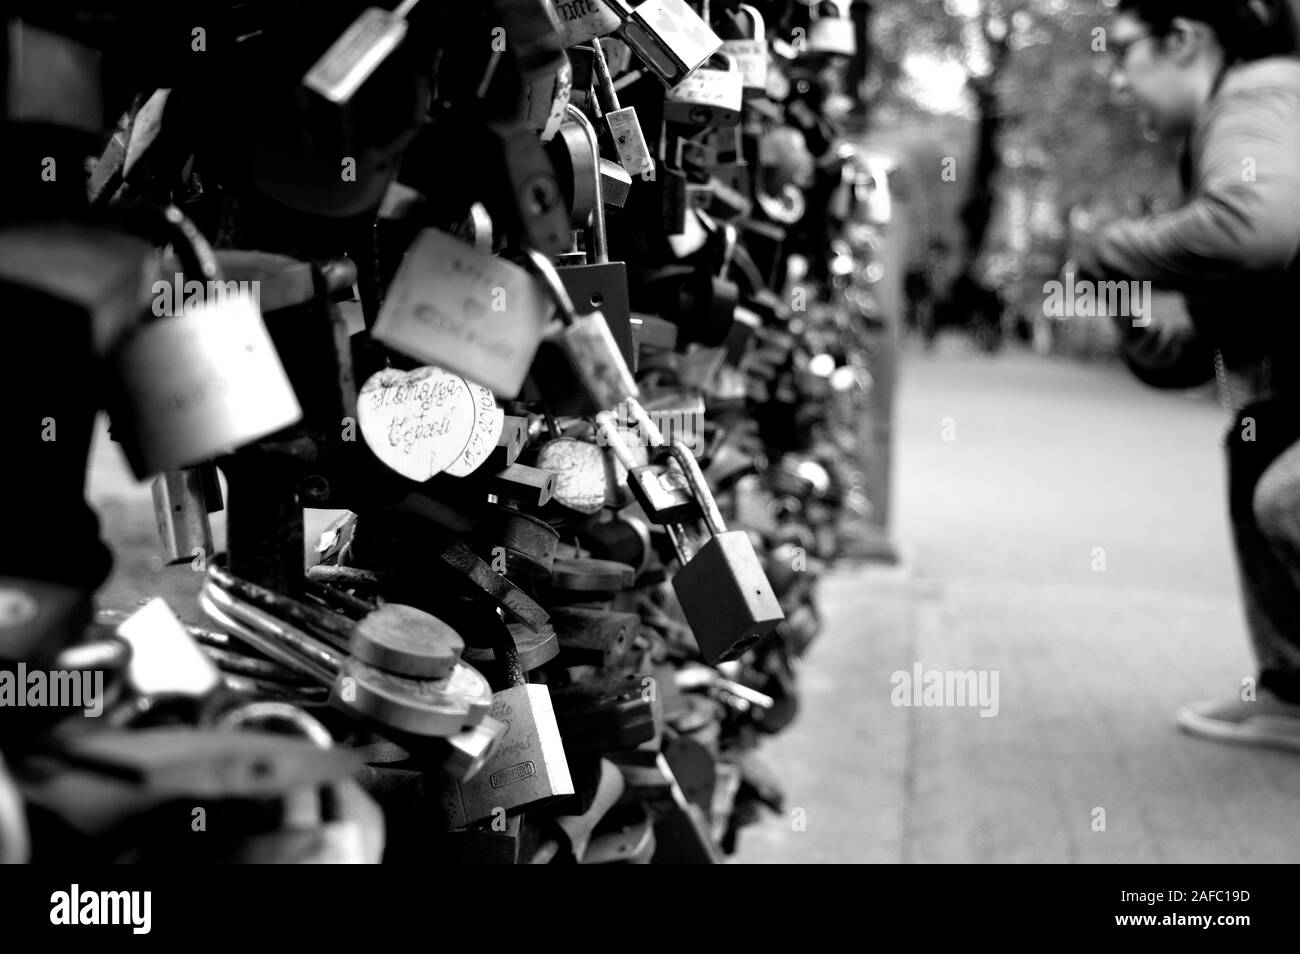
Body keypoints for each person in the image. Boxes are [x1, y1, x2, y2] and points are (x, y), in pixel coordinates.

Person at [1074, 0, 1300, 750]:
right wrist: (1144, 332)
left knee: (1288, 499)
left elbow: (1258, 229)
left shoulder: (1259, 95)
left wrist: (1114, 247)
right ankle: (1293, 691)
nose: (1117, 77)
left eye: (1127, 51)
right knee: (1257, 438)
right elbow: (1240, 318)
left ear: (1184, 40)